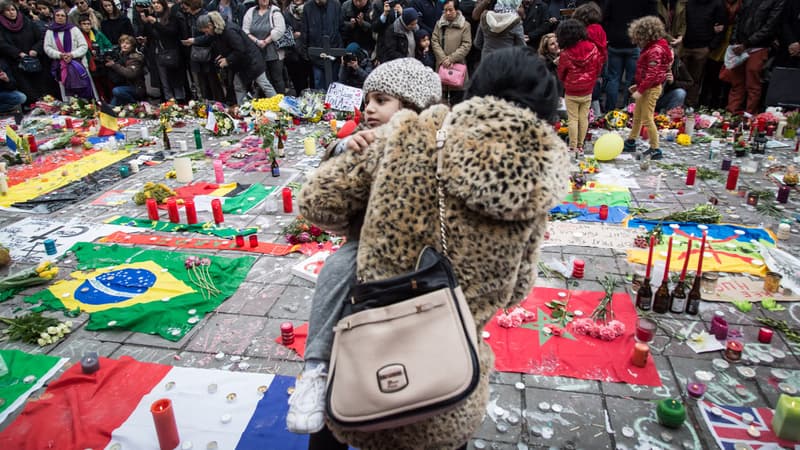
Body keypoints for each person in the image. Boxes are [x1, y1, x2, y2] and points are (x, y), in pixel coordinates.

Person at [297, 45, 569, 450]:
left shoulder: (410, 134)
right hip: (450, 377)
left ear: (475, 89)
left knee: (342, 422)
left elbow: (317, 204)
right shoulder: (537, 182)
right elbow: (516, 291)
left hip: (373, 364)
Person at [287, 58, 443, 440]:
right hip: (362, 273)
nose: (368, 108)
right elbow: (324, 203)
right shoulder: (361, 143)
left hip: (420, 276)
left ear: (412, 108)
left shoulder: (437, 146)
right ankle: (316, 370)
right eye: (367, 100)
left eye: (381, 100)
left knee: (425, 407)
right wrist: (342, 151)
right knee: (339, 267)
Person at [623, 15, 672, 160]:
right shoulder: (654, 47)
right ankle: (631, 141)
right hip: (647, 86)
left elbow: (652, 74)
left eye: (639, 39)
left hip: (651, 88)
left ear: (646, 36)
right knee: (637, 115)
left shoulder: (655, 50)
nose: (637, 43)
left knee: (647, 118)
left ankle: (655, 148)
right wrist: (639, 86)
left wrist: (640, 90)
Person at [197, 11, 272, 104]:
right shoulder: (219, 31)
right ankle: (243, 109)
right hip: (240, 63)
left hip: (252, 62)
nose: (206, 34)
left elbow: (240, 49)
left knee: (264, 85)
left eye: (206, 31)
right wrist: (224, 55)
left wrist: (227, 60)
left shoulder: (229, 31)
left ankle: (279, 107)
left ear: (210, 25)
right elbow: (229, 47)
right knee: (239, 86)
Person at [726, 0, 785, 114]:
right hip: (739, 45)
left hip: (758, 47)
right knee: (737, 82)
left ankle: (749, 115)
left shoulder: (777, 2)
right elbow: (738, 19)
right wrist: (734, 40)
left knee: (753, 83)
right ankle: (731, 112)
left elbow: (770, 26)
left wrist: (747, 43)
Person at [556, 18, 602, 155]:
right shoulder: (593, 48)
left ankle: (572, 146)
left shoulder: (565, 54)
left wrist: (566, 82)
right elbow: (598, 68)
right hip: (587, 89)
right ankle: (581, 146)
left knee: (572, 119)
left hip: (571, 90)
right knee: (583, 118)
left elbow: (561, 74)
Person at [601, 0, 657, 110]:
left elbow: (605, 17)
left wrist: (610, 34)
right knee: (631, 79)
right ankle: (627, 109)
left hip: (615, 41)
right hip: (635, 41)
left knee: (613, 78)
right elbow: (652, 18)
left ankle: (610, 110)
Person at [0, 0, 56, 107]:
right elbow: (2, 44)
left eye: (13, 10)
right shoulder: (1, 27)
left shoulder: (27, 22)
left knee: (42, 88)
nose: (11, 13)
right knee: (27, 93)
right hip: (16, 63)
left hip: (35, 61)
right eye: (7, 11)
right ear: (2, 13)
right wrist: (18, 53)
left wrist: (35, 49)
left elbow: (40, 38)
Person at [679, 0, 725, 107]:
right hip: (684, 46)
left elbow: (722, 27)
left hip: (702, 48)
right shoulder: (688, 2)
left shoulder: (717, 4)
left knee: (695, 79)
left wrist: (710, 47)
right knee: (680, 77)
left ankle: (690, 106)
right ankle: (678, 104)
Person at [44, 8, 97, 100]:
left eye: (62, 16)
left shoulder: (74, 29)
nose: (60, 17)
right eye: (58, 15)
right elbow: (47, 48)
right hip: (61, 65)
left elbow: (83, 46)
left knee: (84, 89)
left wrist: (72, 54)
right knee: (67, 93)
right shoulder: (50, 31)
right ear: (54, 17)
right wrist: (60, 55)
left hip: (78, 65)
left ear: (66, 17)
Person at [140, 0, 186, 102]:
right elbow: (150, 34)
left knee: (176, 81)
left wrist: (156, 23)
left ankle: (181, 101)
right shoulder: (153, 17)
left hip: (172, 52)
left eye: (158, 2)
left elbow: (171, 32)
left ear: (163, 4)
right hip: (158, 52)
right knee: (164, 81)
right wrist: (146, 24)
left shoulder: (171, 15)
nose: (156, 5)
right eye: (153, 3)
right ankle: (169, 102)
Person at [242, 0, 286, 94]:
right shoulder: (250, 12)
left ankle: (282, 103)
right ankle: (266, 104)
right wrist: (257, 41)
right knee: (263, 81)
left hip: (274, 52)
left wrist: (266, 41)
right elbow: (245, 31)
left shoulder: (275, 11)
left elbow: (280, 29)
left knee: (277, 79)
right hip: (256, 52)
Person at [431, 0, 471, 104]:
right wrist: (443, 59)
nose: (447, 13)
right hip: (442, 65)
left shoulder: (465, 25)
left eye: (450, 10)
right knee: (441, 99)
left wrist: (451, 58)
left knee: (457, 99)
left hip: (457, 66)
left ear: (457, 10)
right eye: (445, 10)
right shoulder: (439, 24)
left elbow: (466, 44)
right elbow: (434, 41)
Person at [300, 0, 343, 89]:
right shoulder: (308, 7)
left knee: (334, 86)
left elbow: (340, 28)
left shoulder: (335, 5)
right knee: (319, 85)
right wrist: (305, 53)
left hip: (333, 52)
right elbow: (304, 31)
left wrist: (341, 51)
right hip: (316, 54)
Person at [77, 13, 113, 101]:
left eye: (88, 24)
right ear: (80, 25)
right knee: (97, 85)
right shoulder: (78, 37)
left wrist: (102, 52)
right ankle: (101, 100)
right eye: (84, 24)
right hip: (90, 64)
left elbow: (108, 45)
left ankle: (111, 100)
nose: (87, 26)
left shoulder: (98, 34)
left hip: (101, 62)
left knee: (107, 83)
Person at [105, 34, 146, 105]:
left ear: (132, 46)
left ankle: (135, 104)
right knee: (111, 108)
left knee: (116, 91)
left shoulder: (135, 58)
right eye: (122, 43)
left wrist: (114, 65)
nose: (124, 45)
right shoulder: (120, 55)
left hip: (136, 88)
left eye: (127, 43)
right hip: (124, 86)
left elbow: (130, 74)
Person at [283, 0, 312, 94]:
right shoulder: (286, 12)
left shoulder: (310, 8)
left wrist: (302, 34)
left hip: (308, 49)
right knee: (298, 82)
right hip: (292, 52)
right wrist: (292, 35)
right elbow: (285, 30)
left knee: (311, 80)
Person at [655, 47, 692, 111]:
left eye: (671, 59)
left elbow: (689, 82)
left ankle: (668, 116)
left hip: (663, 99)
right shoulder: (653, 63)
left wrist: (673, 82)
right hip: (649, 98)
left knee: (680, 93)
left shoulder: (678, 64)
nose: (669, 63)